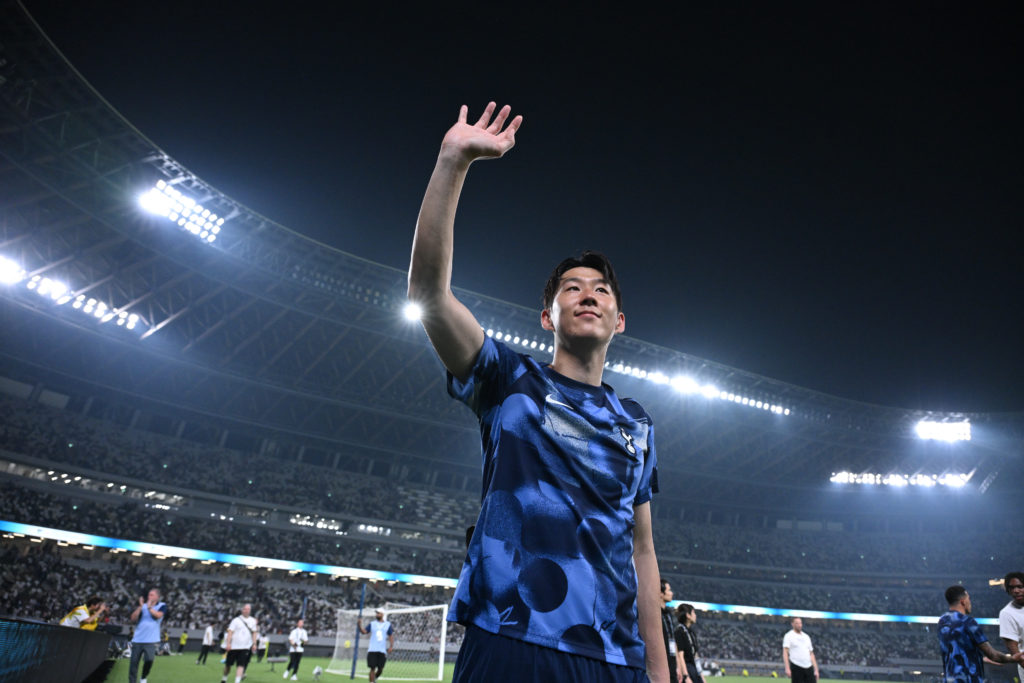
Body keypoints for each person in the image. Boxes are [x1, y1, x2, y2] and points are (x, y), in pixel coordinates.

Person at [408, 102, 667, 683]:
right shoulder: (509, 380)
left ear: (618, 320)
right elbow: (427, 294)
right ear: (547, 317)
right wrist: (453, 162)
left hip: (612, 655)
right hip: (509, 636)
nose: (588, 295)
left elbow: (643, 552)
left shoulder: (638, 424)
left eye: (601, 290)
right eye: (571, 288)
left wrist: (657, 668)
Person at [939, 585, 1022, 683]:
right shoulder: (968, 622)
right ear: (963, 601)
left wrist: (980, 657)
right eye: (969, 599)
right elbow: (993, 655)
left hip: (949, 679)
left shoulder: (942, 621)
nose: (970, 602)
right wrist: (1012, 658)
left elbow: (957, 651)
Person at [128, 587, 166, 683]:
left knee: (149, 660)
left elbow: (158, 615)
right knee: (134, 663)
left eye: (152, 595)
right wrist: (141, 607)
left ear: (157, 597)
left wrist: (149, 607)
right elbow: (132, 618)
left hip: (151, 640)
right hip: (138, 639)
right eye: (149, 594)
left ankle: (143, 677)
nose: (149, 596)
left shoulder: (162, 605)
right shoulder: (142, 606)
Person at [221, 603, 258, 683]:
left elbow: (254, 632)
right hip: (234, 647)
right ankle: (224, 678)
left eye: (248, 609)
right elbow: (230, 632)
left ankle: (237, 681)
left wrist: (254, 644)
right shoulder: (236, 620)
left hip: (245, 647)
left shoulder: (252, 621)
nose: (247, 611)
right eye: (245, 609)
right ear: (242, 610)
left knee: (241, 665)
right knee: (228, 665)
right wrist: (228, 643)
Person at [998, 573, 1024, 683]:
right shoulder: (1007, 613)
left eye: (1020, 587)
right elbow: (1014, 651)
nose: (1016, 591)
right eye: (1011, 588)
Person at [358, 608, 394, 683]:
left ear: (382, 614)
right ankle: (371, 682)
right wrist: (359, 625)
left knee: (380, 669)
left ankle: (374, 678)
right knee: (372, 668)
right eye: (376, 613)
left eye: (379, 613)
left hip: (382, 650)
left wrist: (391, 646)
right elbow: (364, 632)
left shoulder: (387, 625)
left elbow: (391, 636)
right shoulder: (372, 624)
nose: (377, 614)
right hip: (372, 649)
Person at [674, 604, 704, 683]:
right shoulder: (679, 631)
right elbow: (680, 656)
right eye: (693, 613)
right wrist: (686, 676)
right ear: (688, 615)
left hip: (694, 668)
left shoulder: (691, 632)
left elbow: (696, 656)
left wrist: (701, 676)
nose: (695, 615)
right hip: (687, 668)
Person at [782, 617, 818, 683]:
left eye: (800, 623)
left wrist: (816, 669)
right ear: (792, 624)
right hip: (796, 665)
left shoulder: (806, 636)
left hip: (808, 666)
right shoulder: (789, 636)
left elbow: (811, 654)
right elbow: (785, 652)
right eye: (797, 623)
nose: (799, 625)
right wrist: (787, 668)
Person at [661, 580, 679, 683]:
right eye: (669, 590)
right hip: (661, 664)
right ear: (661, 593)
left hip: (672, 664)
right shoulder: (655, 613)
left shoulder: (668, 614)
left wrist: (678, 666)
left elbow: (673, 640)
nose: (671, 593)